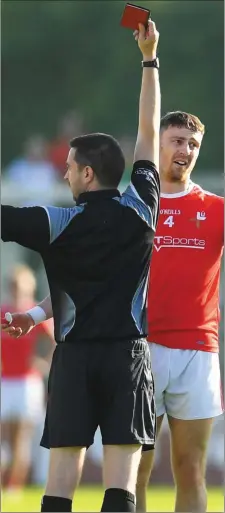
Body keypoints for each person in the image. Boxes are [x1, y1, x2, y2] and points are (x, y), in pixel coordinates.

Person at [1, 21, 161, 513]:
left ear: (86, 173)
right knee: (121, 486)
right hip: (127, 358)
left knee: (61, 482)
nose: (65, 173)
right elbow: (148, 134)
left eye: (69, 167)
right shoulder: (142, 210)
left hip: (74, 361)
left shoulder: (58, 222)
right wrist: (150, 60)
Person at [135, 110, 224, 512]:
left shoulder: (216, 209)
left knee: (190, 469)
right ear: (157, 144)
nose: (185, 150)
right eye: (177, 141)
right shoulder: (134, 207)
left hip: (198, 352)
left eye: (192, 144)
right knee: (134, 468)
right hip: (141, 348)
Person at [1, 265, 54, 492]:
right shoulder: (2, 311)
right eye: (13, 286)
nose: (16, 291)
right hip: (5, 381)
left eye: (20, 287)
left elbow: (54, 342)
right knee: (3, 437)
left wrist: (42, 363)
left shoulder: (34, 315)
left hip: (27, 383)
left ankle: (14, 488)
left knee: (20, 438)